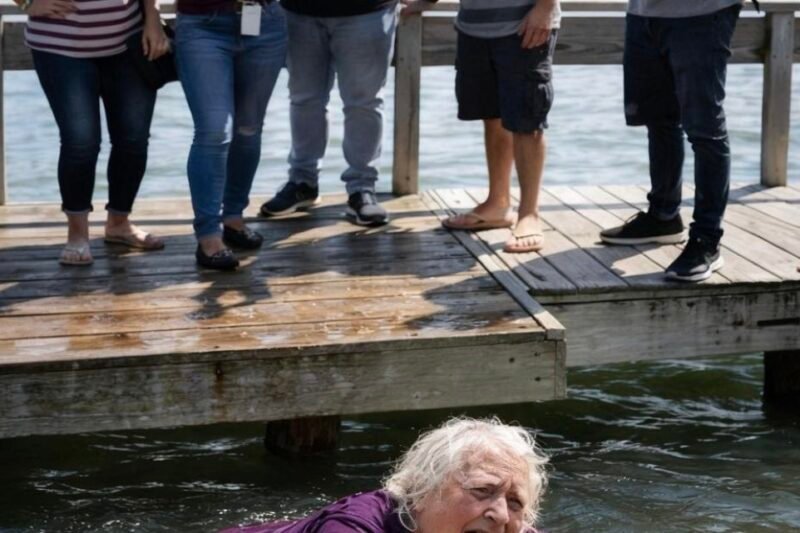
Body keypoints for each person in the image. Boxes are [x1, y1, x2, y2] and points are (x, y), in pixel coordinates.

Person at [599, 0, 743, 282]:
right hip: (644, 13)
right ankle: (662, 216)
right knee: (658, 119)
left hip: (703, 13)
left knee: (704, 130)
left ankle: (706, 240)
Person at [405, 0, 560, 253]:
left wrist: (545, 8)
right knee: (492, 115)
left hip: (524, 24)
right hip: (473, 28)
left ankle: (529, 214)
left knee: (527, 121)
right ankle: (497, 204)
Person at [22, 0, 170, 266]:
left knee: (133, 139)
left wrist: (153, 19)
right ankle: (77, 235)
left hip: (129, 42)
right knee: (81, 143)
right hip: (59, 47)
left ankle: (119, 223)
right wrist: (25, 2)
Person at [222, 417, 549, 533]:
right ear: (422, 492)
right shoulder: (353, 527)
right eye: (482, 490)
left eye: (516, 502)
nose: (501, 515)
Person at [258, 0, 398, 227]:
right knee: (304, 100)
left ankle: (362, 189)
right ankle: (303, 183)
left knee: (364, 103)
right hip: (297, 13)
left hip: (370, 12)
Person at [174, 0, 287, 270]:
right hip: (202, 24)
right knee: (214, 131)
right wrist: (152, 18)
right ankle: (208, 235)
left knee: (248, 129)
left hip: (266, 23)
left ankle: (233, 218)